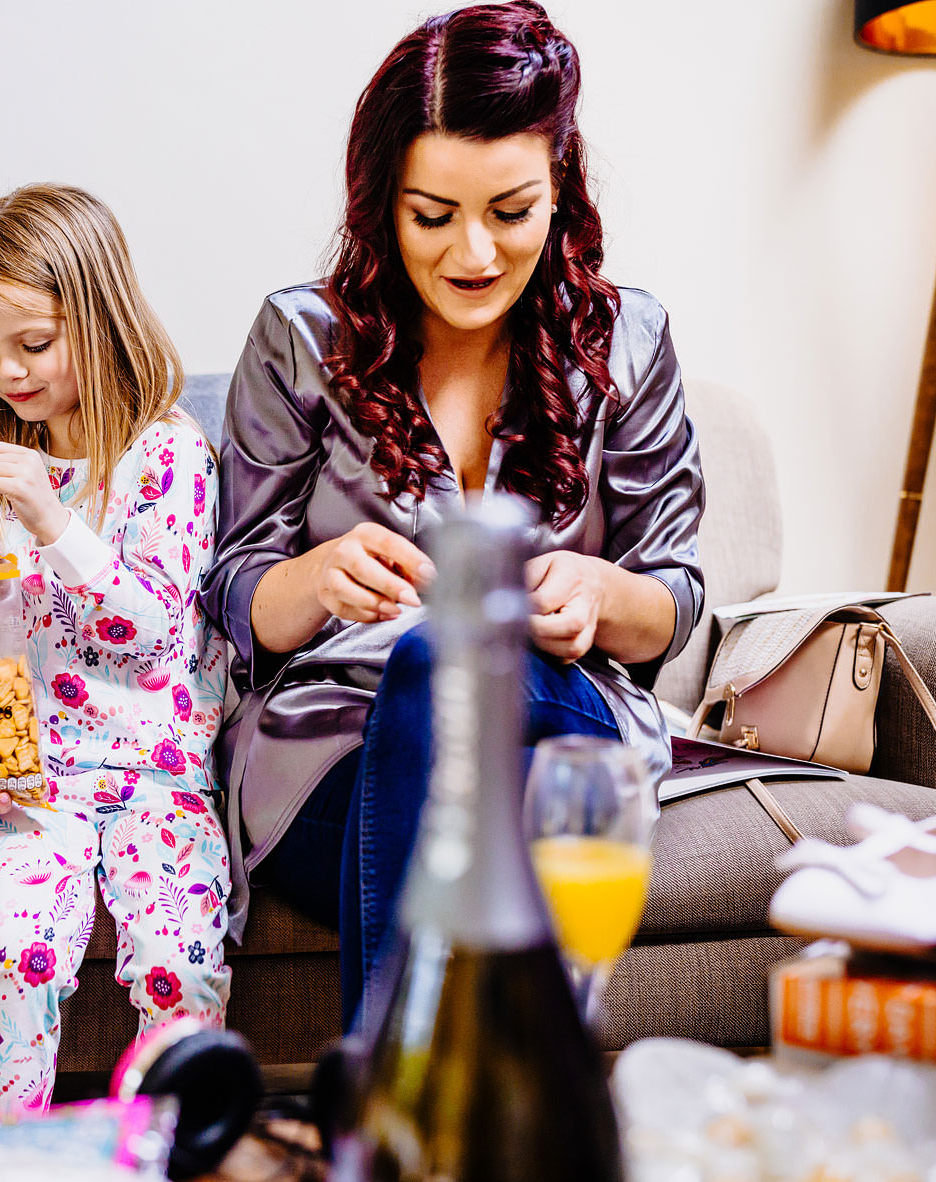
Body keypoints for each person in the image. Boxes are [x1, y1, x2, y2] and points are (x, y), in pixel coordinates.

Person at [197, 0, 705, 1021]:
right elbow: (231, 583)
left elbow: (678, 594)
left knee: (449, 661)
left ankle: (392, 1132)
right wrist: (305, 580)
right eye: (433, 215)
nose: (473, 252)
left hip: (553, 710)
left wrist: (604, 593)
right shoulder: (302, 335)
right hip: (329, 742)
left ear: (561, 190)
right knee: (457, 823)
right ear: (381, 202)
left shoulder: (629, 338)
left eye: (510, 212)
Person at [0, 183, 232, 1109]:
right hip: (39, 784)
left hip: (159, 774)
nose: (7, 372)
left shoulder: (165, 454)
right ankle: (11, 1164)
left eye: (33, 342)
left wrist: (56, 520)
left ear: (100, 321)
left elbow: (146, 634)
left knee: (177, 968)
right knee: (15, 970)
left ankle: (174, 1157)